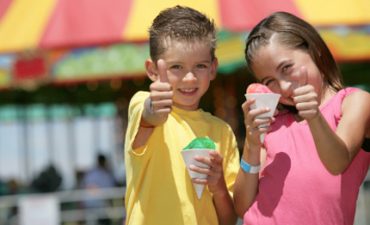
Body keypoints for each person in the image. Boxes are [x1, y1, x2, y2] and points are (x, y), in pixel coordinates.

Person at [233, 11, 370, 225]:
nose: (284, 87)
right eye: (270, 81)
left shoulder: (353, 102)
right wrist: (251, 143)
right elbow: (242, 207)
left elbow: (337, 163)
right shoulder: (272, 122)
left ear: (314, 51)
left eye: (287, 68)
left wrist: (314, 116)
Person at [124, 5, 239, 225]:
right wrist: (155, 109)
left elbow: (229, 220)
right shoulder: (142, 103)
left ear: (213, 68)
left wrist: (219, 188)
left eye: (200, 66)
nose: (189, 78)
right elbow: (150, 116)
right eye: (176, 67)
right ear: (153, 71)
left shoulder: (222, 132)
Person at [81, 153, 116, 225]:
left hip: (90, 205)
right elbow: (110, 189)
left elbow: (84, 187)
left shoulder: (90, 173)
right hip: (100, 206)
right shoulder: (106, 174)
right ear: (104, 162)